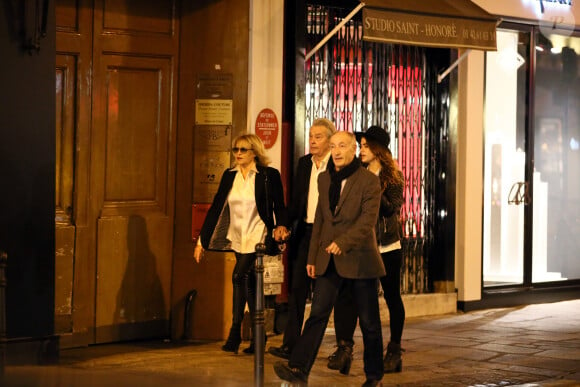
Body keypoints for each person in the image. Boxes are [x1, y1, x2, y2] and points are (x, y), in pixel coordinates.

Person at [273, 131, 386, 387]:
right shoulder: (324, 179)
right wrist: (313, 257)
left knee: (369, 322)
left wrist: (342, 242)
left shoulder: (368, 182)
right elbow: (321, 220)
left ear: (354, 149)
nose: (336, 151)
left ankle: (373, 376)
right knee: (318, 315)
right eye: (333, 146)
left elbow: (367, 222)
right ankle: (299, 369)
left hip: (360, 261)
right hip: (328, 260)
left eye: (342, 146)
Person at [194, 133, 288, 355]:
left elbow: (280, 207)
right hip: (237, 235)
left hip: (258, 236)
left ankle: (235, 332)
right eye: (235, 149)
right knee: (250, 285)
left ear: (254, 152)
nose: (237, 154)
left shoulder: (267, 175)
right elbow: (216, 207)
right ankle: (259, 337)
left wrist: (281, 226)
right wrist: (202, 241)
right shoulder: (229, 176)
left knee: (238, 276)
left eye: (243, 150)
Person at [327, 126, 406, 375]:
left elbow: (391, 209)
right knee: (349, 297)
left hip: (387, 247)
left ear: (378, 150)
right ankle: (345, 348)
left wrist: (371, 184)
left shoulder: (392, 176)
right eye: (359, 146)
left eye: (366, 146)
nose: (361, 150)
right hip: (361, 246)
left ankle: (394, 350)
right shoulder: (355, 174)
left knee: (392, 297)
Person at [268, 117, 336, 360]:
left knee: (324, 292)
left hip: (328, 235)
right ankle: (290, 345)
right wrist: (284, 224)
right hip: (305, 232)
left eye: (318, 137)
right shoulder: (305, 163)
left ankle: (335, 346)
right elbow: (296, 201)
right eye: (311, 136)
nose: (313, 141)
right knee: (297, 288)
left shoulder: (336, 164)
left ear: (330, 141)